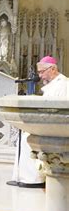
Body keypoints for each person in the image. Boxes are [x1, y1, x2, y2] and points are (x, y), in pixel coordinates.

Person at [8, 56, 68, 188]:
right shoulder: (53, 85)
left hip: (56, 129)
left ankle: (34, 179)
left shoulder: (63, 84)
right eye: (39, 72)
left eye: (42, 72)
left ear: (52, 69)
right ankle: (22, 176)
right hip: (48, 126)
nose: (40, 76)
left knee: (26, 140)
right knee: (22, 138)